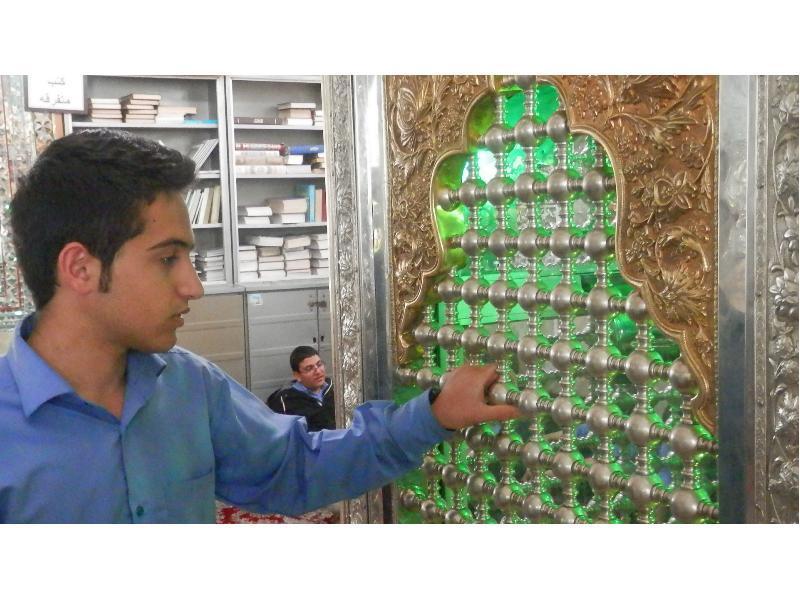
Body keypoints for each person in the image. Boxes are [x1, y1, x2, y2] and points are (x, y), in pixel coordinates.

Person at [0, 129, 518, 523]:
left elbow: (294, 469)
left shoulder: (186, 385)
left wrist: (434, 414)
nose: (193, 287)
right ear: (80, 268)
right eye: (167, 259)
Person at [266, 346, 335, 431]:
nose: (318, 371)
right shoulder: (284, 403)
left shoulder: (334, 389)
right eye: (309, 368)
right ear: (297, 375)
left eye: (319, 364)